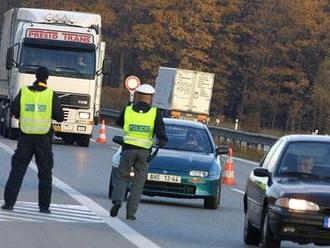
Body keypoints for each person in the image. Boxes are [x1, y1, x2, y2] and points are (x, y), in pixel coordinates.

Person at [1, 67, 64, 213]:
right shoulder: (50, 94)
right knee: (45, 173)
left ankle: (9, 203)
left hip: (25, 137)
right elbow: (59, 116)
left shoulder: (24, 91)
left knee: (17, 171)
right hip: (43, 138)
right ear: (47, 78)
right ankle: (44, 207)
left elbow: (14, 110)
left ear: (36, 76)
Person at [110, 84, 168, 220]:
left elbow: (119, 122)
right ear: (150, 98)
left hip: (128, 149)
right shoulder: (155, 113)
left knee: (122, 176)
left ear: (137, 95)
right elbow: (161, 133)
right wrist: (162, 142)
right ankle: (130, 214)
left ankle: (118, 200)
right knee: (138, 183)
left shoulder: (128, 110)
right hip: (144, 153)